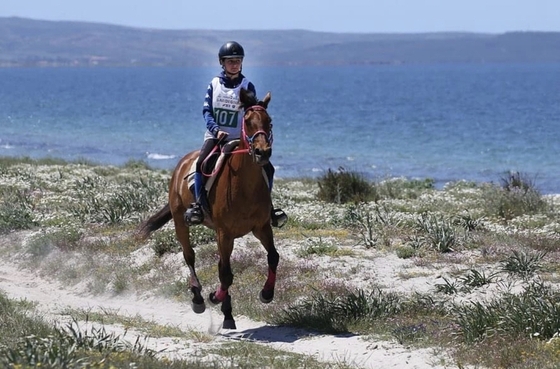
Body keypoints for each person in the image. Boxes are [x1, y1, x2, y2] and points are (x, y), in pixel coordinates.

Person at [185, 41, 287, 228]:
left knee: (268, 168)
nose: (235, 64)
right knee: (201, 163)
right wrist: (216, 130)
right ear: (222, 63)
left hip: (240, 138)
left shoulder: (248, 85)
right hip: (216, 137)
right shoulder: (214, 84)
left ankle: (269, 208)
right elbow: (207, 111)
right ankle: (199, 206)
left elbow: (253, 113)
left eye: (238, 60)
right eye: (230, 61)